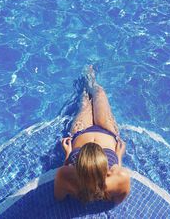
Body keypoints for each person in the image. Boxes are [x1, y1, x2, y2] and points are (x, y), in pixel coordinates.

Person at [54, 65, 130, 204]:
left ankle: (86, 80)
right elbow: (118, 202)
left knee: (85, 101)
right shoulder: (119, 177)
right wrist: (118, 157)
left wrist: (68, 155)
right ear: (106, 170)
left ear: (78, 166)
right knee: (99, 93)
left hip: (79, 132)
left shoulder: (66, 175)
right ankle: (90, 78)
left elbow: (59, 199)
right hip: (107, 131)